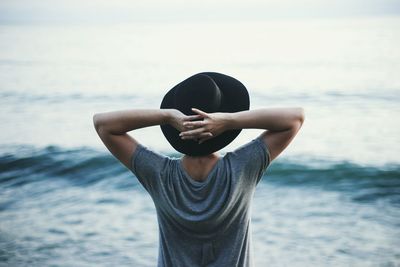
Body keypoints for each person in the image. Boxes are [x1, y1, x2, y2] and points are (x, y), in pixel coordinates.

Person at [93, 72, 305, 267]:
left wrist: (166, 116)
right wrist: (229, 120)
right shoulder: (242, 167)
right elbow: (295, 118)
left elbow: (103, 124)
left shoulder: (159, 174)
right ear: (219, 126)